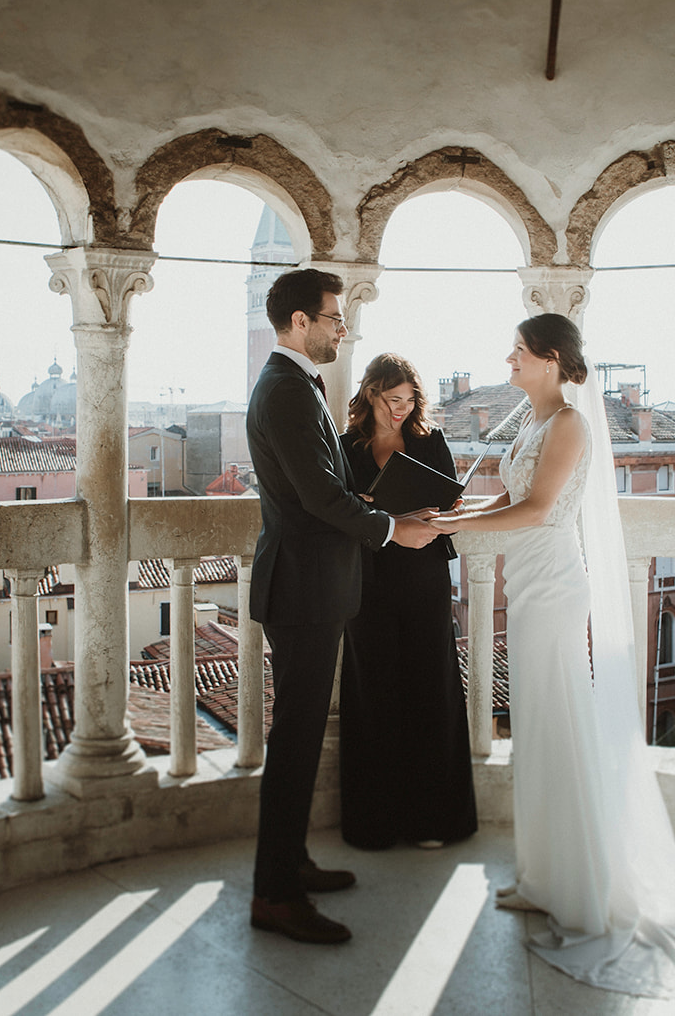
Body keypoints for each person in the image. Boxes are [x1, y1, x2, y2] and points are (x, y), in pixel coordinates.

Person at [432, 313, 675, 998]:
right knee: (538, 729)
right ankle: (542, 877)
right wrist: (457, 517)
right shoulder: (531, 424)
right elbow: (510, 495)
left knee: (562, 723)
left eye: (519, 350)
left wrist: (460, 525)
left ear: (549, 359)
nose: (508, 358)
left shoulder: (568, 424)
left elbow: (540, 509)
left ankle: (584, 891)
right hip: (526, 579)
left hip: (554, 584)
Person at [245, 268, 441, 945]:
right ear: (300, 322)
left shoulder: (293, 386)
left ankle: (290, 863)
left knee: (298, 738)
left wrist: (387, 511)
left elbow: (326, 490)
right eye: (333, 317)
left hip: (309, 585)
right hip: (302, 589)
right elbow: (321, 499)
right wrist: (394, 528)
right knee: (295, 742)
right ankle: (273, 892)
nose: (341, 327)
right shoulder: (287, 391)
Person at [339, 353, 478, 850]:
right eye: (391, 399)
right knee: (372, 688)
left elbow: (449, 507)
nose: (400, 410)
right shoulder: (345, 447)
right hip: (369, 580)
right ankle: (374, 824)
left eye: (409, 401)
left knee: (429, 686)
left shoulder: (430, 440)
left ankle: (434, 820)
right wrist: (382, 514)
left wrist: (437, 512)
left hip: (422, 576)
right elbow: (342, 512)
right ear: (370, 394)